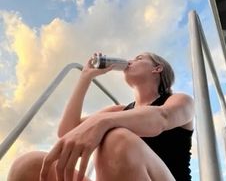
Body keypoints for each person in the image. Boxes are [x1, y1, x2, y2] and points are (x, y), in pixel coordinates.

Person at [8, 52, 194, 181]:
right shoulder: (119, 111)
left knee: (115, 138)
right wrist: (85, 78)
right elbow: (67, 131)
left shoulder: (178, 100)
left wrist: (103, 123)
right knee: (28, 165)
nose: (130, 61)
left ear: (157, 68)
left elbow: (162, 118)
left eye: (138, 58)